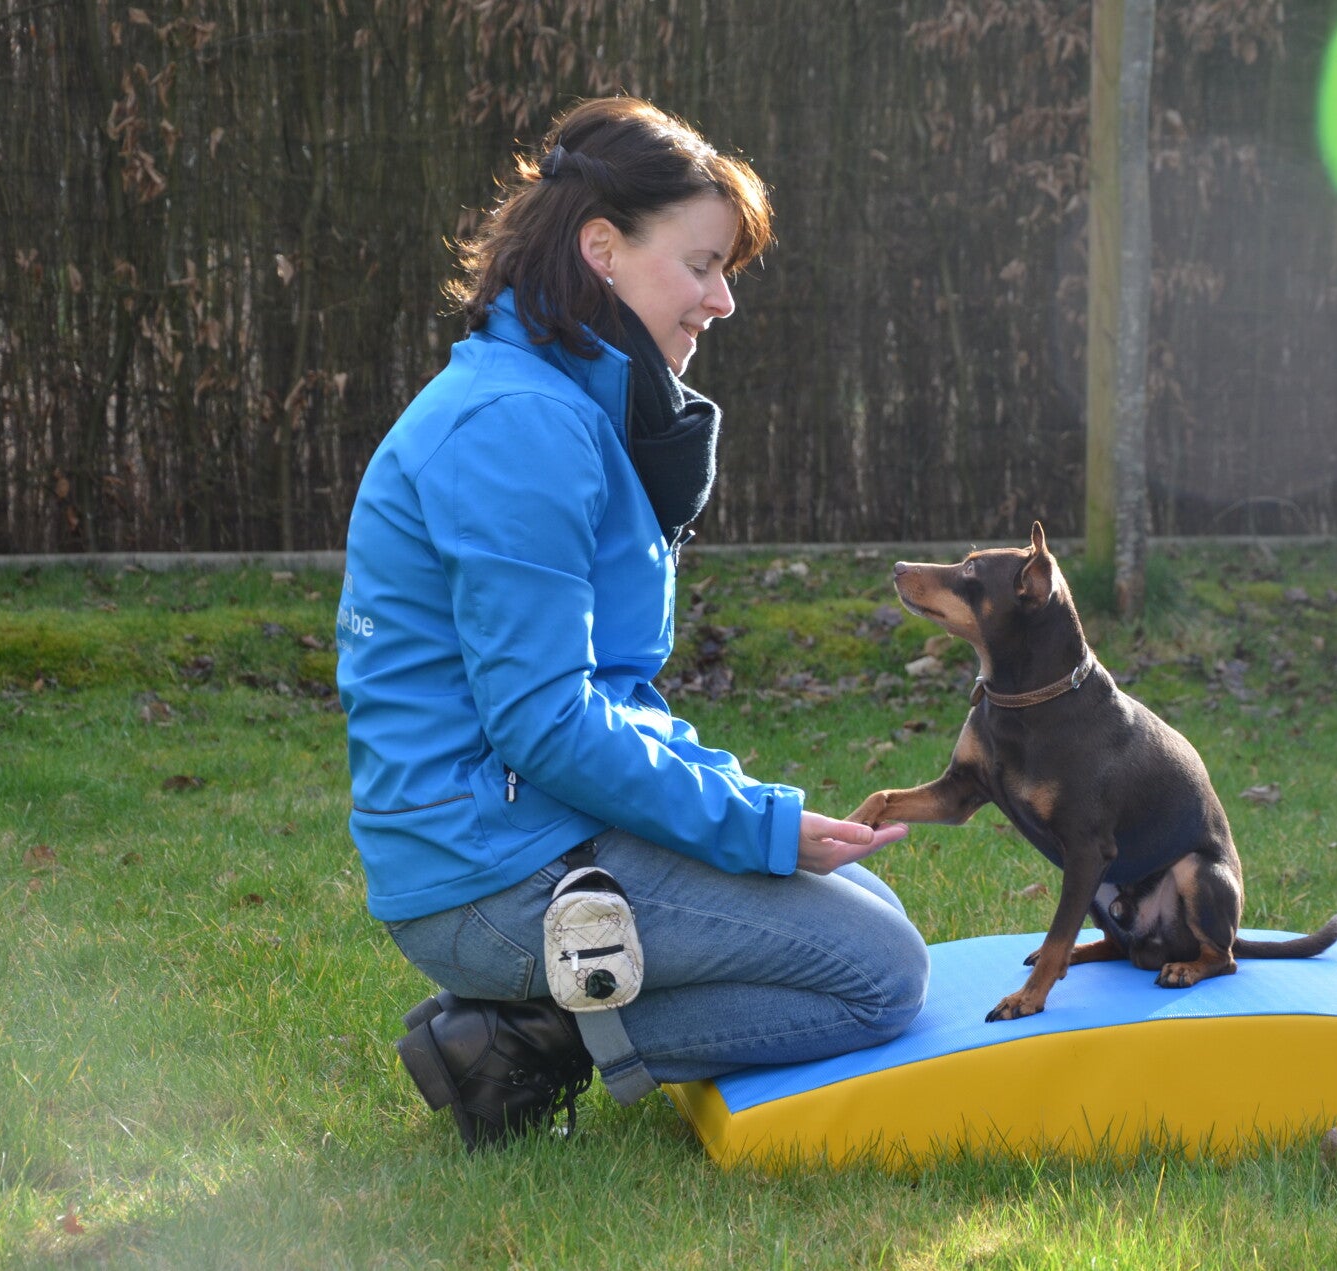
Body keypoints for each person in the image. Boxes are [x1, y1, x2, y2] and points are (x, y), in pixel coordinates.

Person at [335, 97, 926, 1150]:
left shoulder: (553, 406)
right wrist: (756, 828)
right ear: (602, 250)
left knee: (865, 909)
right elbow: (546, 722)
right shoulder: (518, 425)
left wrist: (750, 807)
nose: (722, 299)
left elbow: (605, 697)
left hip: (523, 832)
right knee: (877, 978)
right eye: (701, 264)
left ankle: (538, 1021)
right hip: (492, 875)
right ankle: (519, 1041)